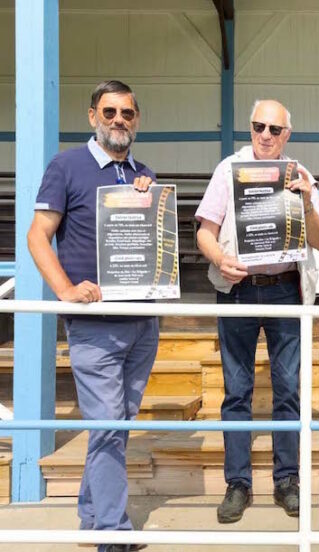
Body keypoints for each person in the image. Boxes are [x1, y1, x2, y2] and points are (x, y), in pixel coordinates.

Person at [27, 80, 157, 552]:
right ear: (91, 117)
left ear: (136, 120)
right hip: (95, 329)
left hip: (142, 324)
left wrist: (151, 195)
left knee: (115, 427)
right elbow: (38, 235)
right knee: (108, 427)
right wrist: (64, 290)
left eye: (127, 113)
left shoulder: (143, 172)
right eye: (109, 113)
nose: (118, 120)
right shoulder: (66, 166)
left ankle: (92, 517)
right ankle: (113, 535)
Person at [196, 99, 319, 521]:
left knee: (288, 389)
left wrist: (306, 201)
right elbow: (205, 232)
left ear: (287, 135)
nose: (266, 135)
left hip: (285, 290)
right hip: (237, 290)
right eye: (258, 127)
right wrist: (220, 260)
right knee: (237, 391)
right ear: (250, 129)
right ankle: (238, 483)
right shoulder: (227, 170)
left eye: (275, 129)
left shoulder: (299, 174)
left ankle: (286, 480)